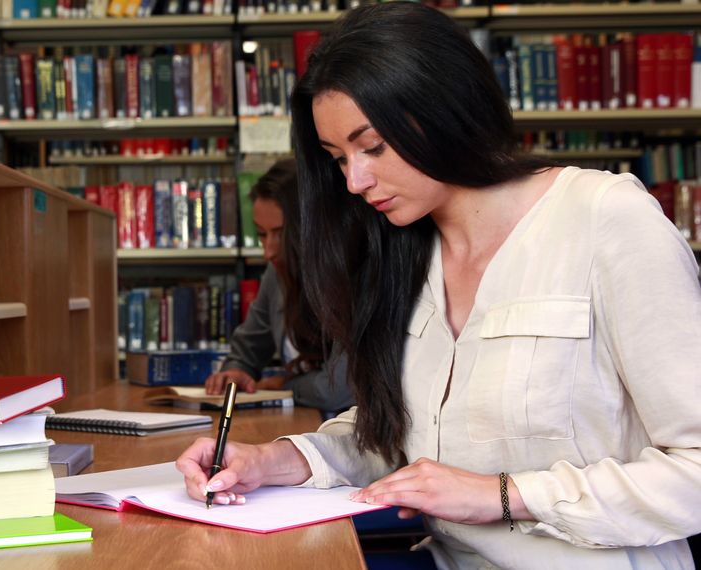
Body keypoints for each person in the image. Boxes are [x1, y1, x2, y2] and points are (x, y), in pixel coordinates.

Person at [176, 3, 701, 568]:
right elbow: (399, 434)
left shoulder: (605, 220)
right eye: (337, 159)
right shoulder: (403, 249)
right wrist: (269, 460)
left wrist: (501, 495)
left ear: (443, 106)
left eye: (372, 146)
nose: (355, 181)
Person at [202, 158, 354, 417]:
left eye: (281, 234)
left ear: (314, 226)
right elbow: (248, 347)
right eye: (261, 234)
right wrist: (237, 370)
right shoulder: (276, 273)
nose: (268, 252)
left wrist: (286, 386)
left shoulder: (356, 276)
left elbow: (339, 388)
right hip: (301, 424)